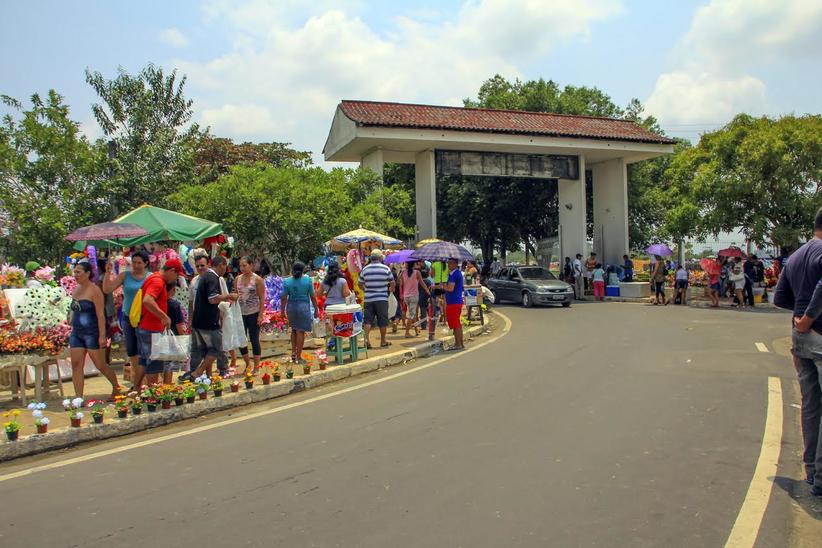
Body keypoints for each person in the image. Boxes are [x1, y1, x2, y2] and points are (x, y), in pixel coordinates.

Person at [773, 207, 822, 496]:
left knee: (811, 405)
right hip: (817, 332)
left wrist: (800, 316)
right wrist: (809, 317)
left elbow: (780, 298)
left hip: (800, 338)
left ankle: (812, 470)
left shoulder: (795, 256)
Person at [69, 261, 122, 398]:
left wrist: (102, 336)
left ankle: (116, 387)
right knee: (76, 364)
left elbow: (100, 315)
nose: (76, 275)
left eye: (79, 272)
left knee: (100, 364)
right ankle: (78, 397)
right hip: (77, 332)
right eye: (75, 272)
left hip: (92, 333)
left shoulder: (95, 290)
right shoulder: (76, 289)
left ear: (87, 273)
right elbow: (73, 311)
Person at [183, 255, 234, 381]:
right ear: (221, 265)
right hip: (208, 321)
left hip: (199, 320)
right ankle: (198, 372)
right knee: (216, 348)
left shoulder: (205, 277)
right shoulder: (212, 278)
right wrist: (229, 296)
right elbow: (212, 299)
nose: (225, 270)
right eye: (225, 267)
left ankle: (203, 375)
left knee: (203, 350)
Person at [135, 258, 184, 388]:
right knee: (154, 363)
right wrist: (164, 316)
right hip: (152, 328)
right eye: (177, 275)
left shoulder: (153, 277)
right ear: (172, 271)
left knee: (144, 361)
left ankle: (137, 389)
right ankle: (154, 394)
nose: (176, 279)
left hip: (145, 326)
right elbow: (147, 300)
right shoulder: (158, 281)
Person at [103, 249, 149, 383]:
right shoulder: (125, 275)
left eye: (139, 263)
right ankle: (138, 381)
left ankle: (147, 381)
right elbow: (107, 289)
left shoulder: (151, 277)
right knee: (132, 350)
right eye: (134, 262)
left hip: (145, 317)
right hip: (128, 317)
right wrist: (107, 273)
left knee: (145, 350)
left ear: (146, 263)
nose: (136, 265)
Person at [281, 261, 319, 363]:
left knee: (294, 330)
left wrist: (282, 311)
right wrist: (316, 309)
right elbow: (313, 296)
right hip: (303, 307)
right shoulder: (308, 280)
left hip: (291, 307)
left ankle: (293, 353)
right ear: (303, 270)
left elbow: (283, 297)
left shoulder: (287, 281)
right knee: (300, 331)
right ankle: (298, 357)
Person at [234, 256, 265, 373]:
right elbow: (236, 295)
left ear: (251, 265)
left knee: (254, 339)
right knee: (241, 339)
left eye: (244, 265)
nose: (242, 268)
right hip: (241, 313)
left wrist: (260, 315)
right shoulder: (237, 279)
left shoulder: (257, 280)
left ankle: (256, 366)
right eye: (240, 266)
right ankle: (247, 363)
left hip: (253, 312)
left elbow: (262, 298)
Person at [358, 249, 395, 349]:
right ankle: (383, 341)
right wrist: (391, 289)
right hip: (382, 299)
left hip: (368, 299)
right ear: (380, 258)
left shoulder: (365, 269)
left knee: (368, 321)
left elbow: (360, 283)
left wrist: (366, 289)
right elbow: (392, 282)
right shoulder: (385, 268)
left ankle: (367, 341)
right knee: (383, 320)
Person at [162, 283, 187, 385]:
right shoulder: (174, 305)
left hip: (158, 335)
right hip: (172, 336)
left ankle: (160, 385)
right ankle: (167, 384)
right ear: (173, 290)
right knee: (169, 363)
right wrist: (182, 338)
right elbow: (179, 325)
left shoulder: (158, 303)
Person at [400, 261, 432, 338]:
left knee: (412, 312)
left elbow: (401, 283)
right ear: (414, 264)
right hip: (414, 296)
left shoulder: (403, 273)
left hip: (406, 296)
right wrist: (428, 291)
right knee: (411, 314)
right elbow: (422, 283)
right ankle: (407, 332)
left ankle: (416, 330)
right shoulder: (417, 272)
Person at [444, 257, 465, 350]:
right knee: (457, 323)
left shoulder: (454, 274)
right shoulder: (454, 273)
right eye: (448, 263)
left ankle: (458, 344)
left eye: (451, 263)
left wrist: (443, 286)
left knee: (455, 324)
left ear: (456, 264)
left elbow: (450, 288)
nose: (449, 265)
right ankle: (460, 343)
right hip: (454, 301)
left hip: (454, 302)